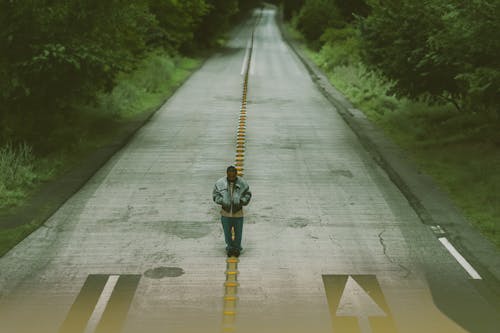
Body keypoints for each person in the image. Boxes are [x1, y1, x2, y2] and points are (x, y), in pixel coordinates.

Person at [212, 165, 252, 257]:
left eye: (233, 176)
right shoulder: (220, 183)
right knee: (227, 233)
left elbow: (248, 194)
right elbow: (215, 195)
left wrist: (242, 201)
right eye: (230, 176)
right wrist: (222, 201)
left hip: (238, 213)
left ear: (236, 174)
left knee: (238, 233)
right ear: (227, 174)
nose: (231, 178)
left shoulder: (243, 183)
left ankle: (237, 248)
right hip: (225, 213)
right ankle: (230, 248)